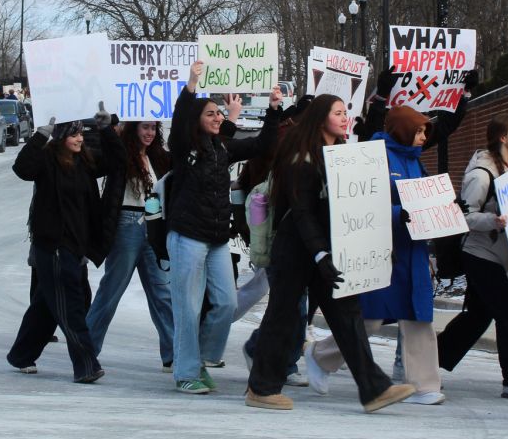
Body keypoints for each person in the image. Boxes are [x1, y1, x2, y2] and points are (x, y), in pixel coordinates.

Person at [245, 95, 415, 412]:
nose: (344, 117)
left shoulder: (336, 155)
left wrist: (374, 244)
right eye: (338, 112)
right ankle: (261, 389)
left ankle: (374, 389)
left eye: (345, 112)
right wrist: (320, 255)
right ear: (321, 117)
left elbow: (355, 204)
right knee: (282, 318)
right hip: (296, 251)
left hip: (324, 252)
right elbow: (302, 213)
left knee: (348, 316)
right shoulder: (300, 157)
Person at [310, 105, 445, 405]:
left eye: (425, 131)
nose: (424, 137)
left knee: (418, 316)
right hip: (381, 249)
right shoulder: (376, 155)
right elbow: (365, 201)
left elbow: (421, 198)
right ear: (403, 129)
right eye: (419, 131)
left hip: (413, 250)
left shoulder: (415, 161)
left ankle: (424, 384)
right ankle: (321, 355)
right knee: (370, 318)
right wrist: (401, 214)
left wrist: (443, 210)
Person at [165, 61, 282, 394]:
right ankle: (186, 373)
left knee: (228, 303)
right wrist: (192, 82)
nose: (218, 117)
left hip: (216, 239)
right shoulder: (184, 147)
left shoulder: (223, 149)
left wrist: (273, 110)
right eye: (211, 114)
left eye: (219, 114)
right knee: (187, 307)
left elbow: (262, 146)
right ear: (196, 121)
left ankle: (200, 357)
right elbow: (180, 118)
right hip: (187, 237)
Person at [7, 107, 121, 383]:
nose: (80, 138)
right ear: (60, 137)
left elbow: (118, 161)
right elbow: (22, 169)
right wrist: (39, 137)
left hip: (76, 246)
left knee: (50, 303)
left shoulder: (85, 162)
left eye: (81, 133)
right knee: (71, 306)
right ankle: (86, 365)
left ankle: (21, 354)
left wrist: (106, 130)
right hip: (54, 245)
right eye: (73, 134)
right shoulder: (46, 160)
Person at [436, 115, 508, 400]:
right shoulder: (481, 174)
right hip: (479, 253)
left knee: (477, 317)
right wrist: (494, 221)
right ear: (501, 137)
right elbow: (464, 216)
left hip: (495, 254)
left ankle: (427, 362)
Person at [85, 120, 175, 371]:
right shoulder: (120, 153)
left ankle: (174, 353)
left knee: (162, 292)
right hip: (127, 224)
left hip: (153, 226)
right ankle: (87, 350)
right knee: (111, 290)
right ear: (133, 128)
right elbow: (95, 160)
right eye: (144, 127)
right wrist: (106, 130)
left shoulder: (158, 157)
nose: (149, 133)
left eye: (153, 128)